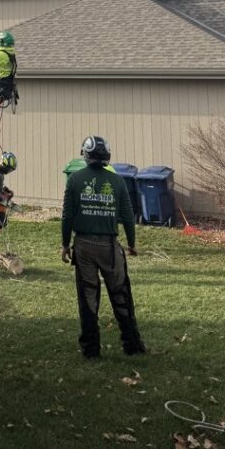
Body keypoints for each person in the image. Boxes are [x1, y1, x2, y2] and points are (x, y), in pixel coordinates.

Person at [61, 135, 146, 359]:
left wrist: (64, 244)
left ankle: (91, 350)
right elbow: (128, 215)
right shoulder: (117, 181)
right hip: (110, 247)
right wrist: (131, 243)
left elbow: (67, 215)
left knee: (88, 298)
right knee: (121, 295)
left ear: (85, 154)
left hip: (84, 246)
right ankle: (132, 345)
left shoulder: (75, 180)